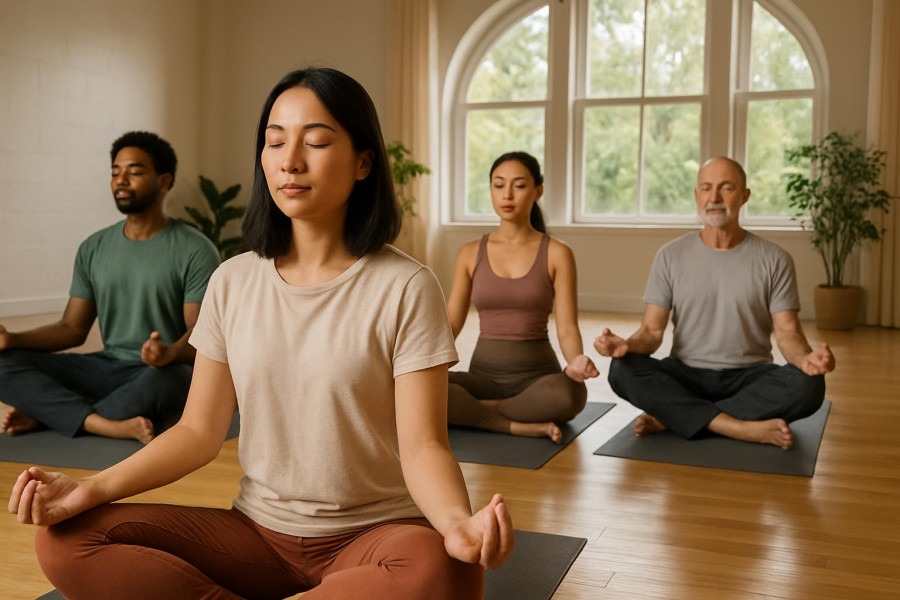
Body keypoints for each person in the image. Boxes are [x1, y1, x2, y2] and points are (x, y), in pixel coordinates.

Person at [9, 67, 513, 600]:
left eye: (315, 142)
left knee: (448, 571)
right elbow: (198, 432)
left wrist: (457, 523)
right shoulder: (233, 279)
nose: (290, 160)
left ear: (364, 162)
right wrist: (87, 491)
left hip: (375, 537)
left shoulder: (407, 286)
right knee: (65, 540)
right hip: (255, 536)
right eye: (275, 142)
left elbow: (423, 446)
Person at [594, 157, 835, 450]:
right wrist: (626, 347)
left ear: (745, 195)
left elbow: (787, 333)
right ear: (697, 196)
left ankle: (678, 417)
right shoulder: (670, 256)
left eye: (726, 188)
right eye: (706, 189)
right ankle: (739, 428)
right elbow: (651, 331)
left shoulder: (775, 259)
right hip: (686, 373)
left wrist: (805, 360)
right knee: (622, 370)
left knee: (809, 385)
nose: (715, 198)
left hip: (749, 376)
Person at [0, 131, 220, 444]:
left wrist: (169, 352)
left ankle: (50, 415)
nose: (121, 181)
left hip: (158, 372)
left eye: (135, 171)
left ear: (163, 181)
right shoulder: (93, 247)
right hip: (104, 368)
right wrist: (13, 339)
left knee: (174, 382)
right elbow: (71, 328)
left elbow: (201, 333)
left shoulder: (196, 249)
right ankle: (105, 424)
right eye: (115, 172)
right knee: (3, 365)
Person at [446, 151, 599, 443]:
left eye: (519, 185)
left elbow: (567, 327)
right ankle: (514, 424)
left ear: (537, 191)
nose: (507, 194)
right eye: (498, 184)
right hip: (483, 378)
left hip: (538, 380)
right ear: (490, 189)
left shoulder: (557, 253)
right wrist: (424, 363)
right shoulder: (468, 253)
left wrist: (576, 362)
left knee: (571, 395)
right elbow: (452, 321)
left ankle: (477, 414)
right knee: (418, 388)